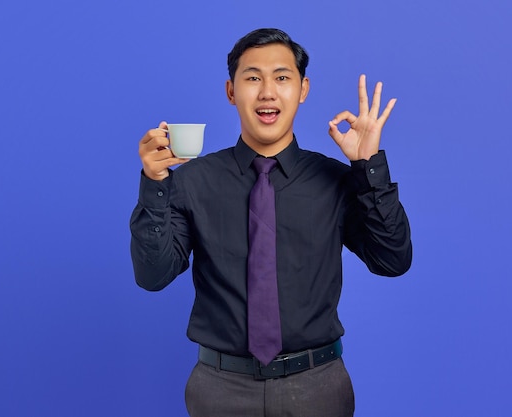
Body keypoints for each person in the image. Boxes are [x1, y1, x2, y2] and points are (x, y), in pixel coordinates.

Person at [130, 28, 412, 417]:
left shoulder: (335, 180)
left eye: (281, 77)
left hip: (318, 388)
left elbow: (393, 261)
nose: (267, 92)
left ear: (303, 89)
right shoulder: (193, 181)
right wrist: (155, 186)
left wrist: (369, 167)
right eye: (252, 78)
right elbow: (153, 275)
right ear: (231, 91)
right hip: (219, 389)